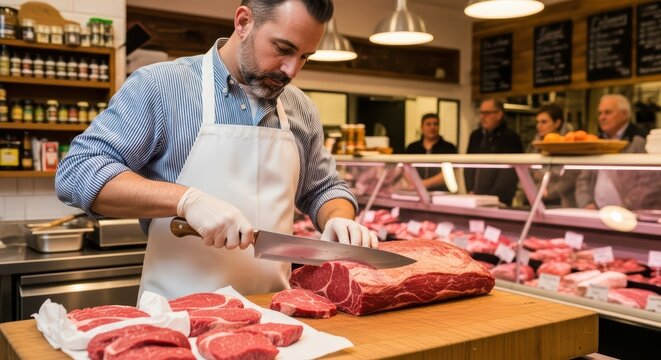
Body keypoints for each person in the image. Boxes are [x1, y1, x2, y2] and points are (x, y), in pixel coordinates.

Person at [55, 0, 378, 300]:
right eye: (283, 48)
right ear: (243, 22)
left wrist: (338, 218)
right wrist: (186, 200)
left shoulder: (301, 107)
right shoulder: (160, 86)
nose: (291, 70)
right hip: (179, 315)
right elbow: (77, 173)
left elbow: (323, 188)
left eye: (305, 56)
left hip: (275, 315)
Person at [575, 94, 661, 210]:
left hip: (629, 218)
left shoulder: (640, 140)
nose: (602, 117)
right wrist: (586, 203)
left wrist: (622, 209)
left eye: (608, 112)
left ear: (624, 114)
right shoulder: (596, 140)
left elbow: (648, 183)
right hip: (594, 215)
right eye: (600, 113)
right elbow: (583, 179)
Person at [465, 98, 523, 206]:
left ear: (499, 114)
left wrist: (494, 198)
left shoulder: (511, 137)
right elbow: (468, 164)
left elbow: (509, 173)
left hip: (498, 201)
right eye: (481, 113)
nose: (482, 117)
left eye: (487, 113)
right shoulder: (476, 135)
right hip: (474, 198)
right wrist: (470, 189)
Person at [526, 103, 577, 208]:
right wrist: (531, 190)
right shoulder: (533, 146)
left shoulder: (571, 143)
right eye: (537, 122)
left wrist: (548, 192)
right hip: (535, 201)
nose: (539, 126)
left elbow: (571, 177)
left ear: (557, 123)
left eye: (544, 122)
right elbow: (526, 172)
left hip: (563, 203)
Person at [405, 113, 457, 191]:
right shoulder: (412, 147)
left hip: (441, 193)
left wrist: (423, 184)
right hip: (416, 192)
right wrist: (416, 184)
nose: (432, 127)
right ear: (422, 127)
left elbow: (449, 173)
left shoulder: (449, 147)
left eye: (435, 124)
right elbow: (406, 169)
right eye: (428, 124)